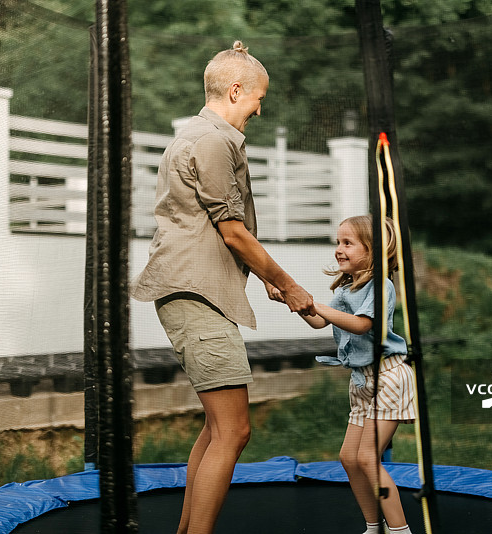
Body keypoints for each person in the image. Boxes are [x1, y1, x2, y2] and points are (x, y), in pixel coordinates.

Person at [130, 41, 315, 534]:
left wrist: (268, 280)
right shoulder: (214, 141)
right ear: (236, 91)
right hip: (196, 298)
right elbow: (232, 230)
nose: (259, 109)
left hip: (193, 293)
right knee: (234, 430)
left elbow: (218, 230)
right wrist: (290, 286)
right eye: (258, 98)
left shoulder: (198, 135)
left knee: (217, 429)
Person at [297, 215, 415, 534]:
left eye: (347, 243)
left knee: (367, 458)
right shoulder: (347, 288)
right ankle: (373, 527)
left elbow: (362, 324)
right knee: (349, 458)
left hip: (389, 378)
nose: (339, 249)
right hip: (362, 382)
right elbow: (320, 322)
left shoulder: (381, 286)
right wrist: (297, 303)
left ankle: (401, 531)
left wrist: (315, 304)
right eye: (338, 242)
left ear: (372, 250)